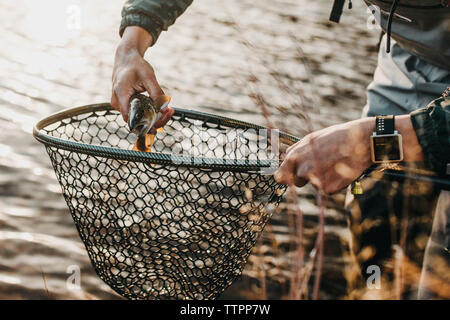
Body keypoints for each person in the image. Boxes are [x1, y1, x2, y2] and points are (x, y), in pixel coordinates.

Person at [111, 0, 449, 298]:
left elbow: (392, 137)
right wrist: (131, 46)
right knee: (375, 216)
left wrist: (371, 141)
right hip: (410, 58)